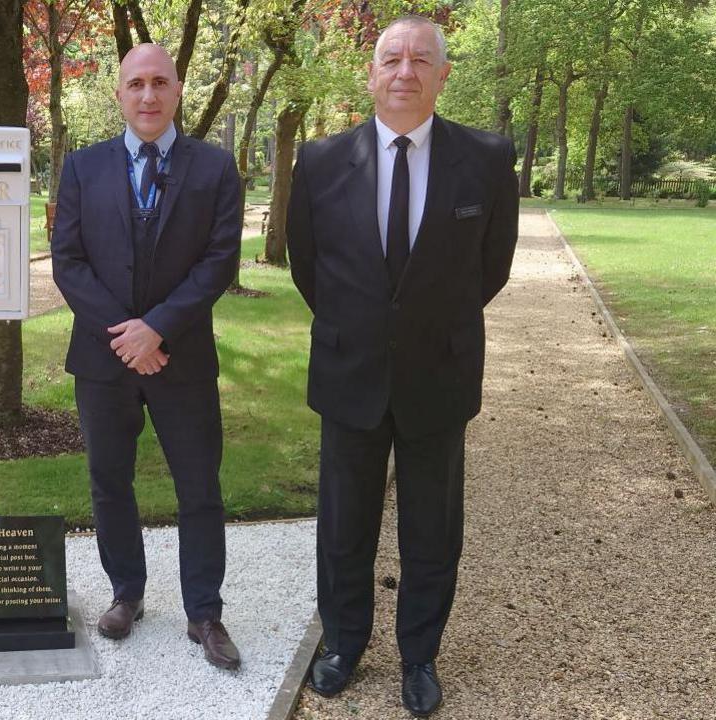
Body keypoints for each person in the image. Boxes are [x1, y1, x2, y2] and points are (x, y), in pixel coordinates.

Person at [285, 16, 519, 717]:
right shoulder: (322, 161)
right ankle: (344, 643)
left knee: (431, 528)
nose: (406, 72)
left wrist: (423, 323)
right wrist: (363, 325)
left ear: (444, 74)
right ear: (371, 73)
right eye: (392, 58)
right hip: (348, 371)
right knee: (344, 524)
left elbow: (491, 267)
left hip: (438, 374)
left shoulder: (484, 159)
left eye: (422, 59)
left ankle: (419, 654)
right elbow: (309, 266)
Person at [50, 42, 243, 670]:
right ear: (119, 93)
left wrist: (157, 330)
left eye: (161, 82)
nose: (149, 95)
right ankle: (126, 593)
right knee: (111, 483)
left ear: (179, 89)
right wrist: (127, 336)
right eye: (136, 84)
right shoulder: (82, 167)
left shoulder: (215, 169)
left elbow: (218, 261)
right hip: (103, 362)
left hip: (182, 358)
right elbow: (69, 261)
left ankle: (204, 611)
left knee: (199, 488)